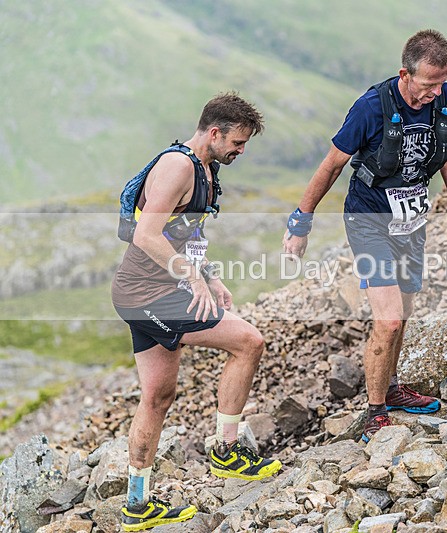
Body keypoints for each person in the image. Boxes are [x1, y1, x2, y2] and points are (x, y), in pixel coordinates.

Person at [282, 29, 447, 442]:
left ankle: (391, 389)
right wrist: (301, 222)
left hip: (410, 220)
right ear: (404, 74)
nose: (435, 93)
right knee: (387, 321)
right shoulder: (371, 107)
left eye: (442, 82)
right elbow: (332, 165)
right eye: (428, 85)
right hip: (368, 219)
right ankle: (373, 413)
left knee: (403, 311)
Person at [112, 93, 281, 531]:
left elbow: (185, 233)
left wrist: (211, 274)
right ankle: (226, 453)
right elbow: (147, 234)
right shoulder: (178, 166)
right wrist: (192, 278)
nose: (241, 152)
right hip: (150, 294)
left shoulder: (206, 168)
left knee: (158, 396)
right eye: (238, 143)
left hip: (149, 292)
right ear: (214, 132)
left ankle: (136, 503)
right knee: (248, 341)